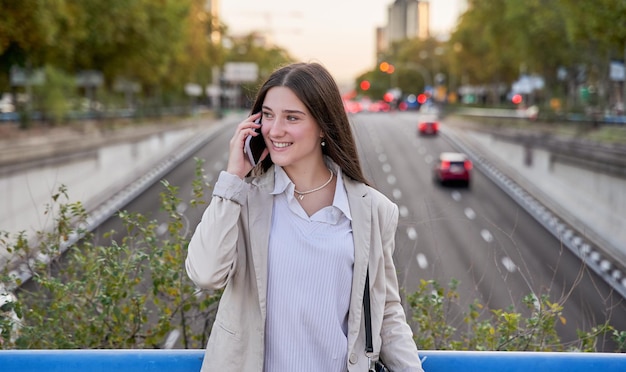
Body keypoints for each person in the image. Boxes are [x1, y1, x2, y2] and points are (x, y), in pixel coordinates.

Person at [185, 62, 424, 372]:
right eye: (268, 115)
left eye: (292, 118)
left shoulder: (373, 210)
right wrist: (232, 177)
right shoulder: (243, 199)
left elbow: (387, 313)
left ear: (323, 125)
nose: (275, 130)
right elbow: (204, 274)